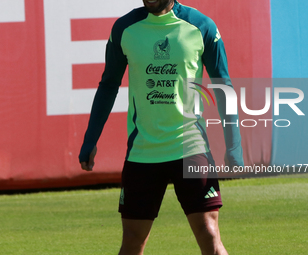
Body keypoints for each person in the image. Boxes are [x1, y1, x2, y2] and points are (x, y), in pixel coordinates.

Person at [79, 0, 244, 254]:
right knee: (132, 241)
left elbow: (223, 88)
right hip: (143, 152)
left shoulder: (201, 26)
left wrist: (234, 147)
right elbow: (108, 85)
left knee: (209, 235)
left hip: (191, 147)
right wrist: (90, 139)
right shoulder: (125, 29)